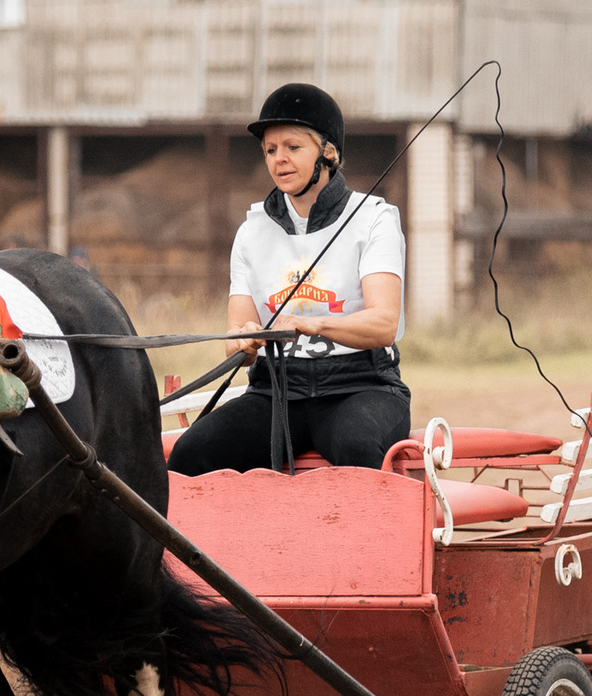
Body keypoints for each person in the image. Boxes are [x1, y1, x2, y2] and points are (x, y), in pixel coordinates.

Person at [166, 83, 411, 476]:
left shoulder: (375, 218)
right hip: (275, 391)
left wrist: (313, 323)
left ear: (328, 152)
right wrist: (243, 340)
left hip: (363, 387)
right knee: (193, 453)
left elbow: (384, 324)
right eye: (270, 150)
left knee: (357, 443)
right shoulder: (251, 230)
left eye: (293, 147)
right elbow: (237, 336)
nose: (279, 159)